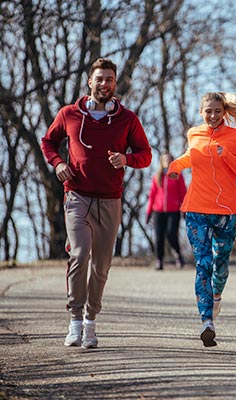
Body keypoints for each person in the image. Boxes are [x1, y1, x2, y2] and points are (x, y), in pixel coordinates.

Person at [40, 57, 152, 349]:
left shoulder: (127, 119)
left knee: (101, 265)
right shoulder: (69, 114)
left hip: (110, 200)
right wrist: (57, 163)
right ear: (90, 82)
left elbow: (146, 154)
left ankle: (91, 321)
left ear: (116, 84)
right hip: (77, 195)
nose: (105, 84)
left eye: (110, 79)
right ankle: (74, 321)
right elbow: (48, 141)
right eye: (99, 79)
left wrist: (126, 159)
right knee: (79, 253)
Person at [168, 92, 236, 347]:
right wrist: (175, 167)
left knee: (221, 265)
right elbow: (190, 157)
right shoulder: (194, 133)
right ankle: (207, 321)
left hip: (227, 212)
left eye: (217, 111)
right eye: (208, 111)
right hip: (196, 209)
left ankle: (216, 296)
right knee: (203, 263)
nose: (213, 116)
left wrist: (225, 154)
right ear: (201, 112)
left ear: (224, 112)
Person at [145, 153, 187, 270]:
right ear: (161, 162)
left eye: (168, 159)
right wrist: (148, 212)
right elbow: (152, 196)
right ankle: (159, 260)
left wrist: (184, 210)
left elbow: (183, 193)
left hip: (173, 211)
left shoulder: (178, 175)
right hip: (158, 211)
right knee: (159, 237)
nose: (166, 161)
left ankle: (178, 255)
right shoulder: (156, 177)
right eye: (164, 159)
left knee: (171, 234)